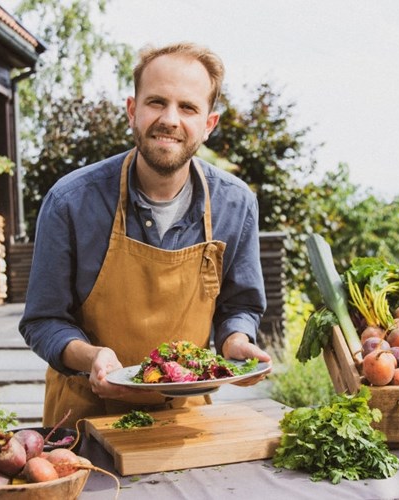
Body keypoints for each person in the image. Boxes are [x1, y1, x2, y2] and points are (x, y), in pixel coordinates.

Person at [19, 41, 271, 425]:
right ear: (132, 111)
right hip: (83, 420)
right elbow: (43, 320)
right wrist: (91, 359)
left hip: (185, 420)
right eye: (156, 102)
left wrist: (236, 342)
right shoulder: (70, 202)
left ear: (208, 125)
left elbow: (239, 306)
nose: (170, 119)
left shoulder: (235, 206)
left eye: (188, 107)